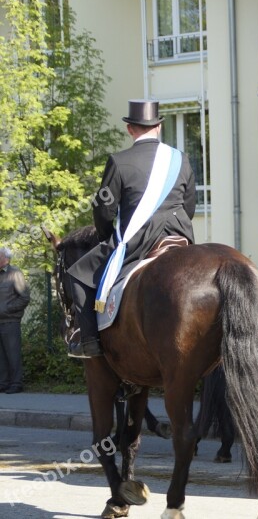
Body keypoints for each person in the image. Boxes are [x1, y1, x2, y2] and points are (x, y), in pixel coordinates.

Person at [66, 100, 196, 358]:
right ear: (158, 127)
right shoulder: (181, 159)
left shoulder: (119, 161)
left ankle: (90, 343)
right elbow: (190, 205)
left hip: (138, 240)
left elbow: (103, 210)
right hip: (181, 237)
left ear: (130, 130)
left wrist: (108, 238)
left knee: (78, 274)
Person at [0, 247, 30, 394]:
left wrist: (6, 309)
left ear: (5, 258)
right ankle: (3, 383)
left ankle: (16, 384)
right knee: (1, 355)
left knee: (13, 354)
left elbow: (24, 297)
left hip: (10, 320)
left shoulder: (15, 273)